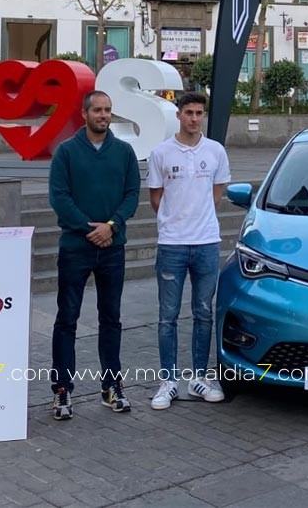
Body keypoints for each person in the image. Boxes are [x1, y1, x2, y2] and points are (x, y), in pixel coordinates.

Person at [48, 90, 141, 420]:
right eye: (97, 110)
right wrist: (90, 229)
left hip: (112, 249)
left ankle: (111, 387)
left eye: (108, 110)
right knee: (67, 320)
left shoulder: (125, 152)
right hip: (76, 249)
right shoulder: (67, 152)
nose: (103, 115)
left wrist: (111, 226)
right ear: (84, 113)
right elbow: (59, 197)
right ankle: (62, 390)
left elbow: (132, 195)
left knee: (111, 320)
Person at [147, 92, 231, 408]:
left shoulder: (216, 151)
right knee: (168, 315)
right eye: (189, 113)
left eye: (199, 113)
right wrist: (176, 220)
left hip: (207, 243)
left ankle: (198, 378)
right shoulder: (161, 153)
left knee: (204, 312)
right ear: (178, 116)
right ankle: (168, 381)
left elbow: (218, 189)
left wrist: (199, 216)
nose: (194, 118)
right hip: (172, 245)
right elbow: (157, 197)